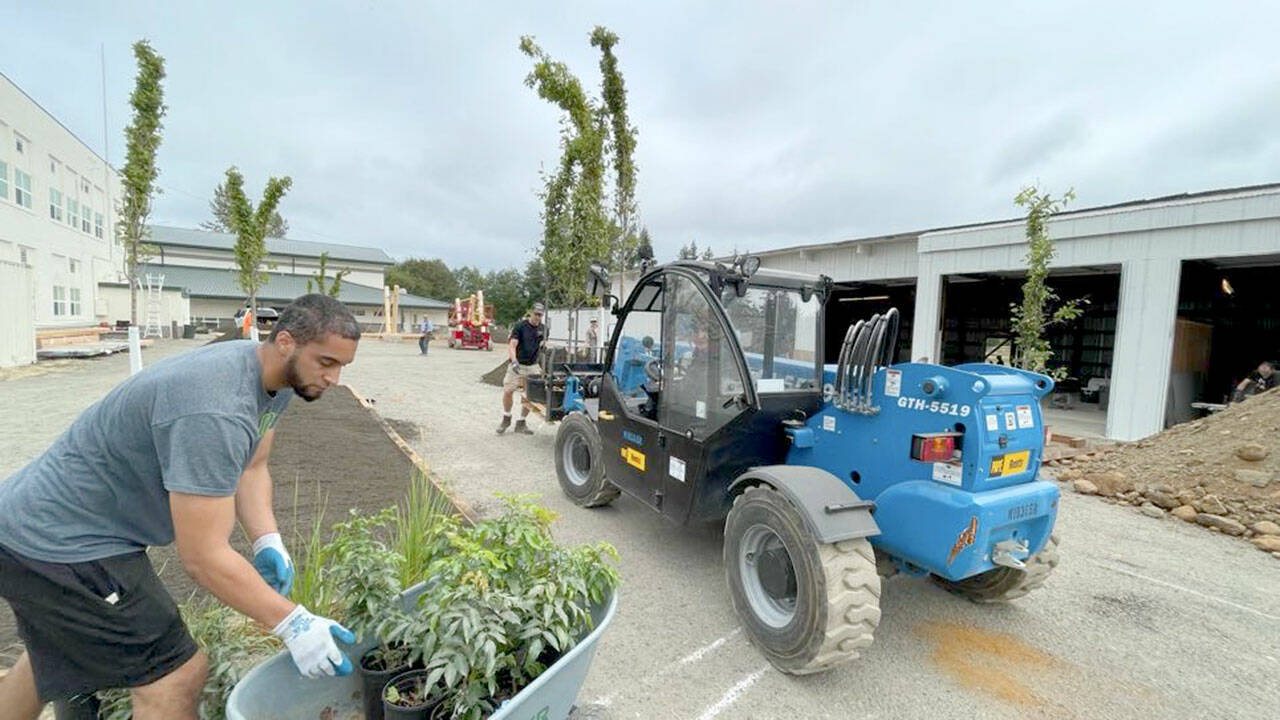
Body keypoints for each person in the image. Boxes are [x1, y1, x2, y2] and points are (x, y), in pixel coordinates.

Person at [0, 294, 362, 720]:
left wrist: (268, 540)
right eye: (326, 362)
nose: (335, 378)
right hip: (62, 543)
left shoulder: (271, 379)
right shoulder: (215, 409)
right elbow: (203, 558)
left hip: (33, 524)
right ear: (285, 341)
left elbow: (252, 465)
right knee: (175, 674)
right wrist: (293, 624)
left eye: (342, 366)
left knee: (52, 656)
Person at [497, 303, 545, 435]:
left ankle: (521, 422)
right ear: (531, 313)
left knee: (530, 395)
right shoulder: (520, 327)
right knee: (508, 390)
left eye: (540, 315)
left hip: (533, 365)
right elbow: (512, 345)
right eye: (536, 314)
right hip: (518, 364)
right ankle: (506, 418)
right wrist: (514, 361)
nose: (537, 317)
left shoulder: (543, 328)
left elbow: (541, 345)